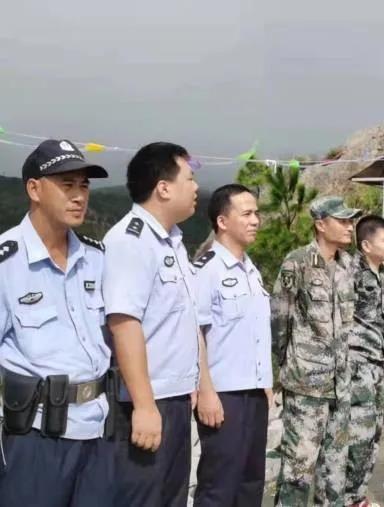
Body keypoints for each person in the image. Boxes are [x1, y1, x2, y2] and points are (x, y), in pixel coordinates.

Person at [103, 142, 220, 507]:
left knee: (171, 498)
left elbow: (188, 324)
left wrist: (202, 385)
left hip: (173, 400)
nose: (197, 186)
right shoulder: (131, 241)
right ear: (163, 187)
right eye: (190, 177)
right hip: (145, 402)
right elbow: (124, 323)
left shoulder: (171, 242)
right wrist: (144, 405)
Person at [0, 140, 113, 506]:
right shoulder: (7, 263)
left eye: (84, 185)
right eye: (67, 185)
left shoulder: (96, 259)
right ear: (34, 188)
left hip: (97, 432)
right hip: (33, 439)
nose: (79, 196)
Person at [272, 196, 361, 506]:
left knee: (335, 469)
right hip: (307, 384)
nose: (350, 227)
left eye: (351, 221)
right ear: (321, 225)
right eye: (343, 221)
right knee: (299, 468)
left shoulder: (349, 264)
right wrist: (288, 365)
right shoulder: (296, 262)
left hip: (341, 384)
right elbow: (279, 319)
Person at [192, 184, 273, 507]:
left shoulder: (251, 271)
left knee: (251, 481)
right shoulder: (207, 270)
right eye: (247, 214)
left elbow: (255, 332)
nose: (256, 220)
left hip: (254, 392)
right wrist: (206, 390)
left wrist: (266, 383)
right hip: (224, 395)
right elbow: (195, 332)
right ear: (222, 222)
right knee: (219, 485)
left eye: (257, 213)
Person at [344, 215, 384, 507]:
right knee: (358, 434)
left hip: (378, 365)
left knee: (374, 431)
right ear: (366, 245)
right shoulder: (351, 272)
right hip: (357, 364)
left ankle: (359, 495)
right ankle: (349, 496)